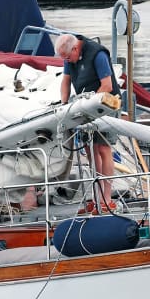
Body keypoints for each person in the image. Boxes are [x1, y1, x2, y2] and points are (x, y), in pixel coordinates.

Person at [55, 33, 120, 214]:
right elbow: (66, 81)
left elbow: (106, 85)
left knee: (103, 149)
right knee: (90, 151)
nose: (68, 61)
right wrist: (64, 105)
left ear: (75, 49)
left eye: (68, 57)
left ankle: (107, 199)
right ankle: (96, 197)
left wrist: (91, 107)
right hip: (83, 105)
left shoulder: (97, 54)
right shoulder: (69, 58)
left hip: (106, 103)